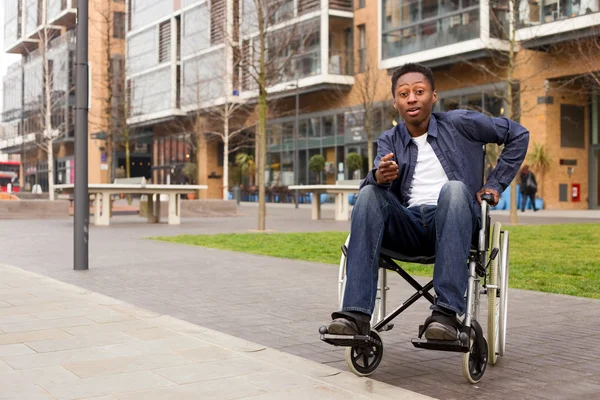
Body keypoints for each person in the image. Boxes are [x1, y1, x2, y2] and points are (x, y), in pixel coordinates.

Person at [325, 63, 529, 341]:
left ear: (433, 96)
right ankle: (356, 316)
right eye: (404, 93)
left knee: (455, 189)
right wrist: (379, 177)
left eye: (419, 91)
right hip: (406, 227)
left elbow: (518, 134)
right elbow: (371, 191)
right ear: (395, 101)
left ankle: (445, 315)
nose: (411, 98)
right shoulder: (389, 140)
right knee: (369, 193)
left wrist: (494, 184)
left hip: (453, 221)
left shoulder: (461, 123)